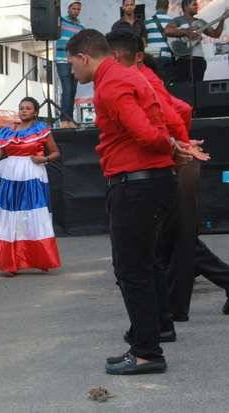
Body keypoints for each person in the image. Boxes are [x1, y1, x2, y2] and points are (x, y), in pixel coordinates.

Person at [65, 29, 200, 375]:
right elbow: (173, 115)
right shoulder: (131, 77)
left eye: (71, 64)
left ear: (83, 56)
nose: (72, 73)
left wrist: (171, 146)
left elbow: (144, 132)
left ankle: (146, 352)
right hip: (150, 181)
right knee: (147, 262)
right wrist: (176, 144)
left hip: (135, 183)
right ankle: (154, 330)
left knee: (131, 269)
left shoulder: (111, 84)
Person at [0, 97, 61, 275]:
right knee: (10, 217)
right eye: (21, 108)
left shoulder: (41, 129)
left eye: (28, 108)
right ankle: (9, 261)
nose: (24, 111)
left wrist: (45, 159)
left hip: (33, 176)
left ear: (35, 112)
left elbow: (56, 152)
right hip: (10, 177)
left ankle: (40, 257)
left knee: (34, 216)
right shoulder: (7, 133)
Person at [165, 0, 228, 82]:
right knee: (182, 88)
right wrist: (186, 32)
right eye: (194, 5)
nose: (197, 6)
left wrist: (222, 19)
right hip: (182, 60)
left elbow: (216, 34)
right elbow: (167, 31)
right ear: (186, 7)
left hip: (199, 60)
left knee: (198, 88)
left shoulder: (200, 22)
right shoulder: (177, 20)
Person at [55, 1, 85, 129]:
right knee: (67, 89)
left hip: (75, 62)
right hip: (62, 60)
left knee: (72, 91)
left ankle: (69, 119)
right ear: (68, 9)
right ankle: (64, 120)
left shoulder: (81, 27)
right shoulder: (60, 21)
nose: (76, 11)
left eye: (78, 9)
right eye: (74, 8)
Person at [144, 0, 175, 83]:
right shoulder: (173, 22)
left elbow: (144, 40)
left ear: (156, 7)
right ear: (167, 8)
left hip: (151, 58)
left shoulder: (147, 21)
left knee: (152, 83)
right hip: (166, 57)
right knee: (166, 85)